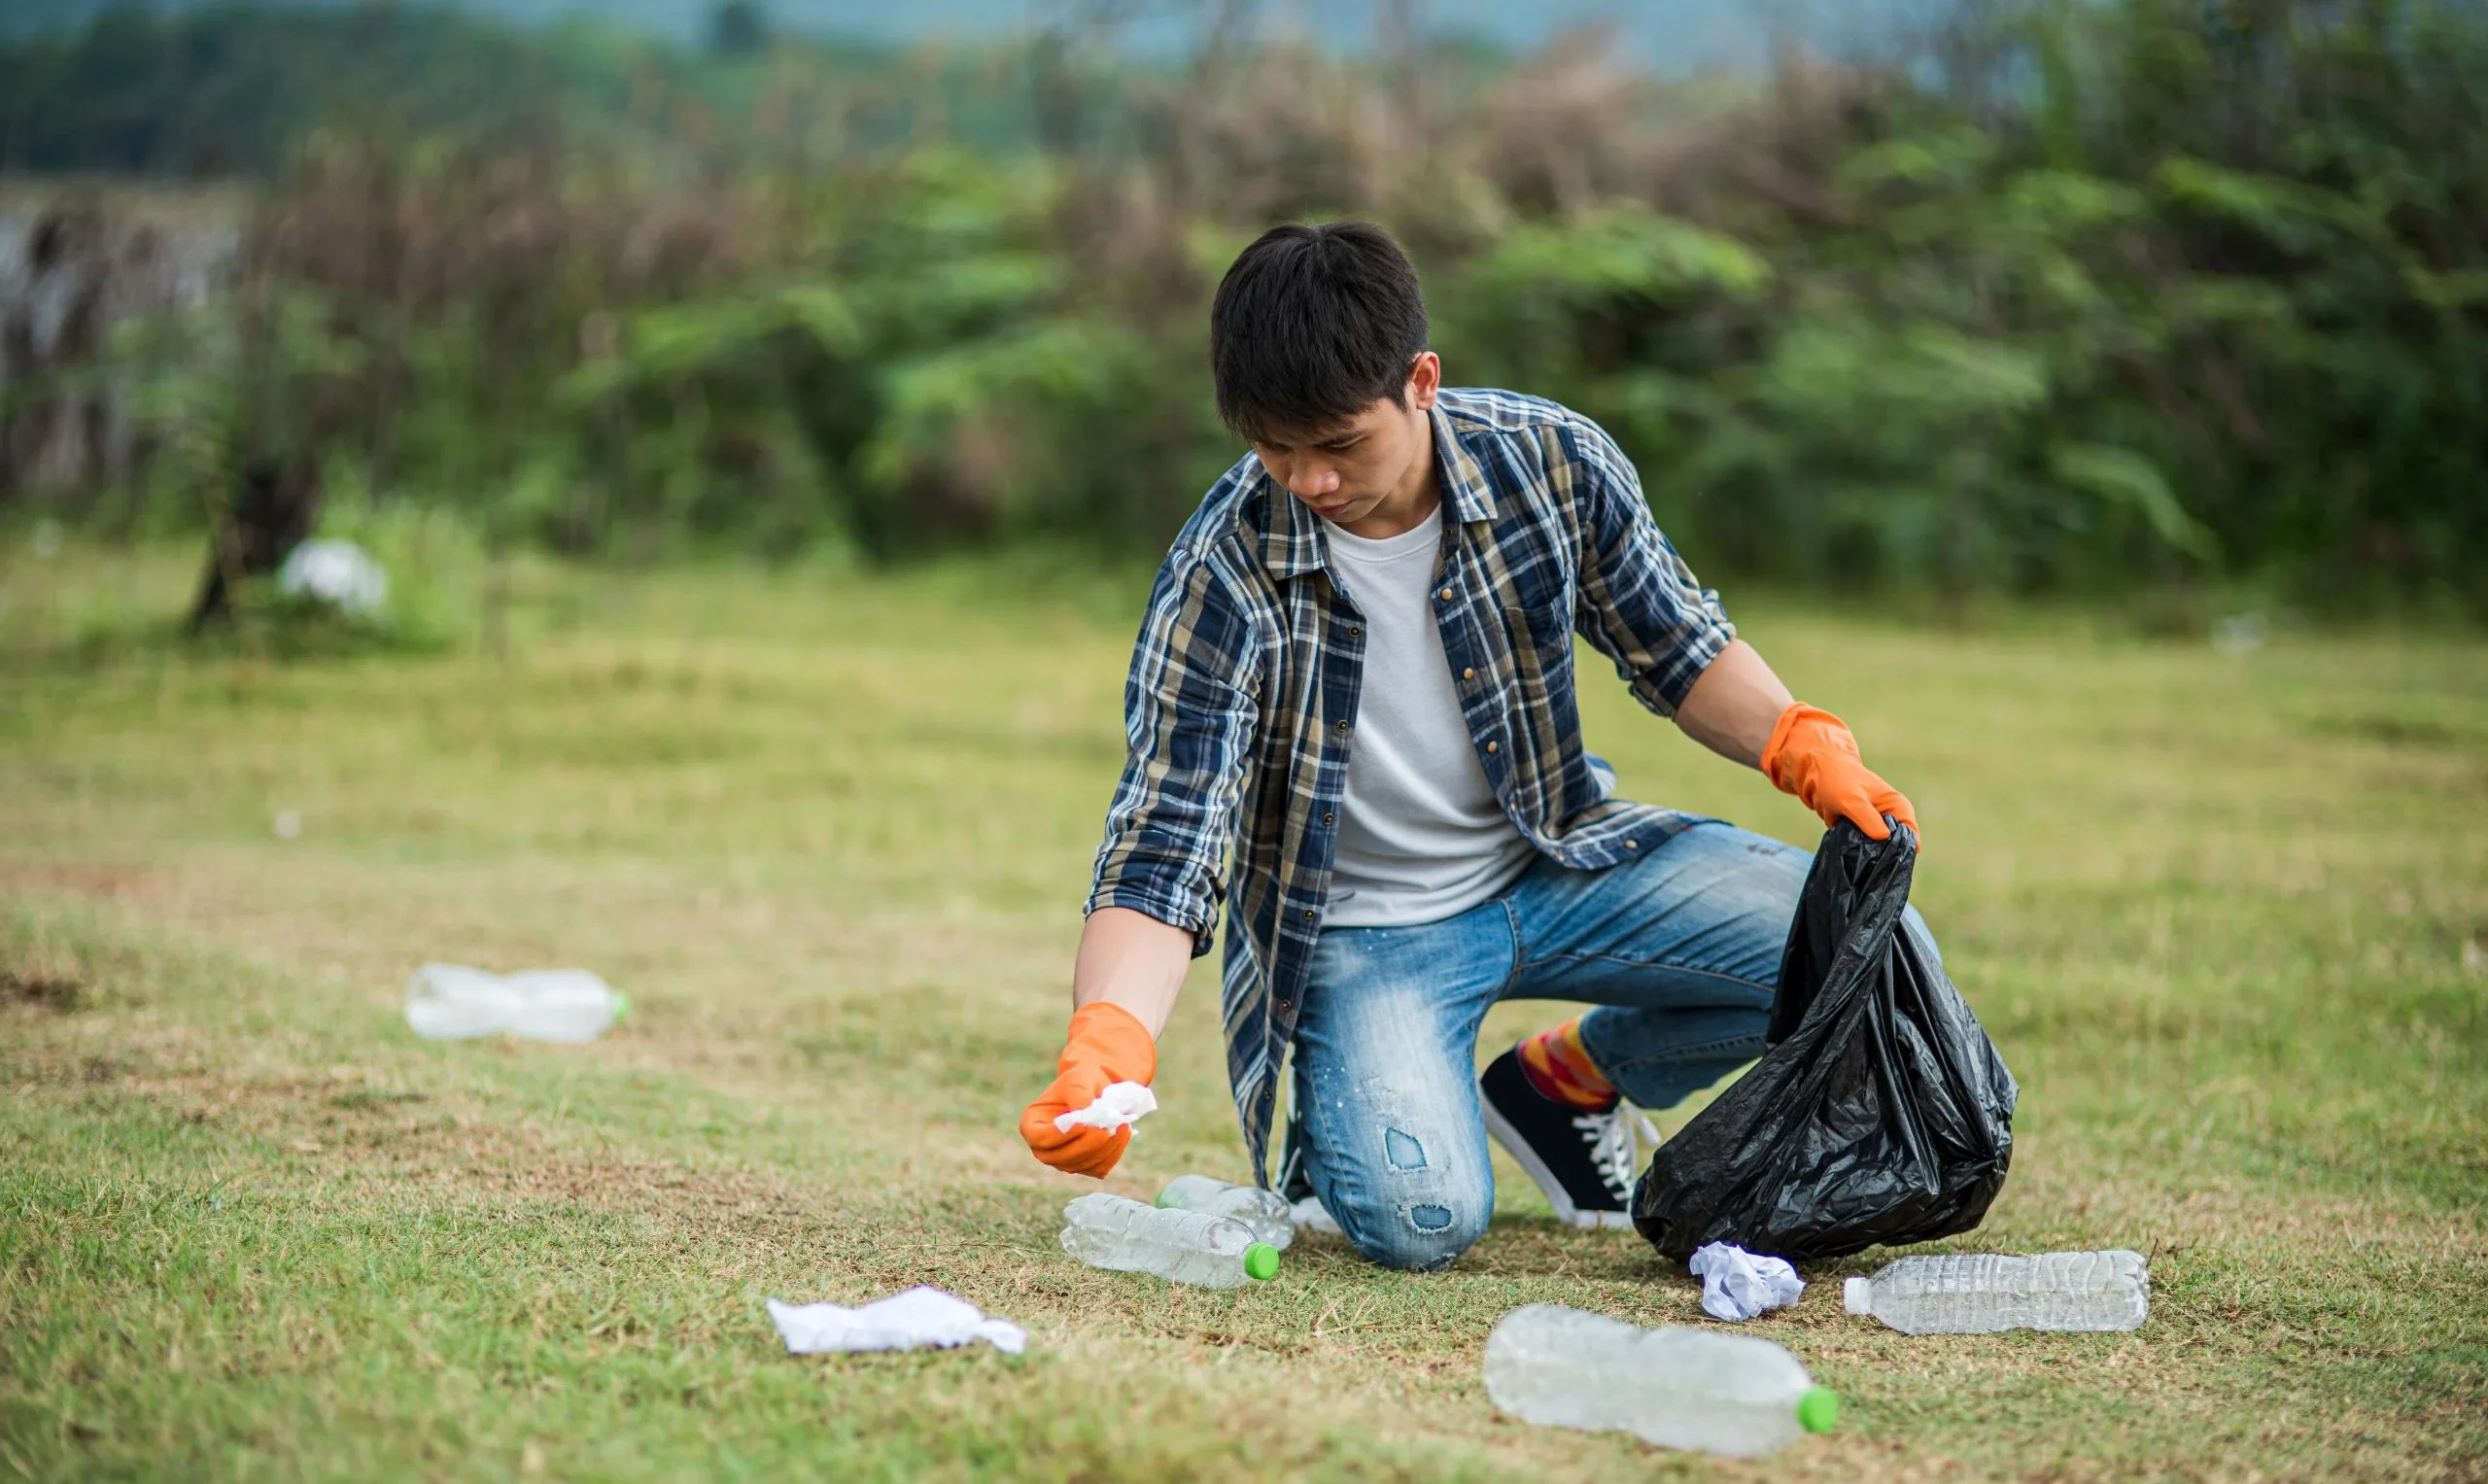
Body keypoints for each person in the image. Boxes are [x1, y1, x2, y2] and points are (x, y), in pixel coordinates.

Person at [1018, 221, 1928, 1270]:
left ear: (1421, 382)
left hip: (1560, 857)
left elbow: (1676, 647)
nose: (1310, 480)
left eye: (1339, 444)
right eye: (1276, 448)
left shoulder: (1550, 462)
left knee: (1870, 944)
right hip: (1368, 933)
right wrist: (1110, 1037)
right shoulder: (1221, 570)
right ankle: (1343, 1119)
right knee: (1424, 1219)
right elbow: (1170, 837)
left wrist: (1798, 741)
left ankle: (1570, 1081)